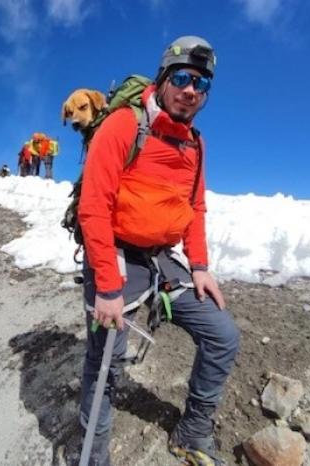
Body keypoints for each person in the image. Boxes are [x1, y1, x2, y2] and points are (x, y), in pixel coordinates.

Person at [77, 36, 240, 466]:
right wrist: (108, 288)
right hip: (116, 254)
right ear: (165, 78)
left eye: (201, 84)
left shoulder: (196, 144)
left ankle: (191, 434)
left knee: (222, 335)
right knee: (107, 358)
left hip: (162, 258)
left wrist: (200, 266)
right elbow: (93, 207)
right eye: (183, 78)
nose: (191, 90)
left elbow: (196, 207)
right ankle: (94, 457)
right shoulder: (124, 125)